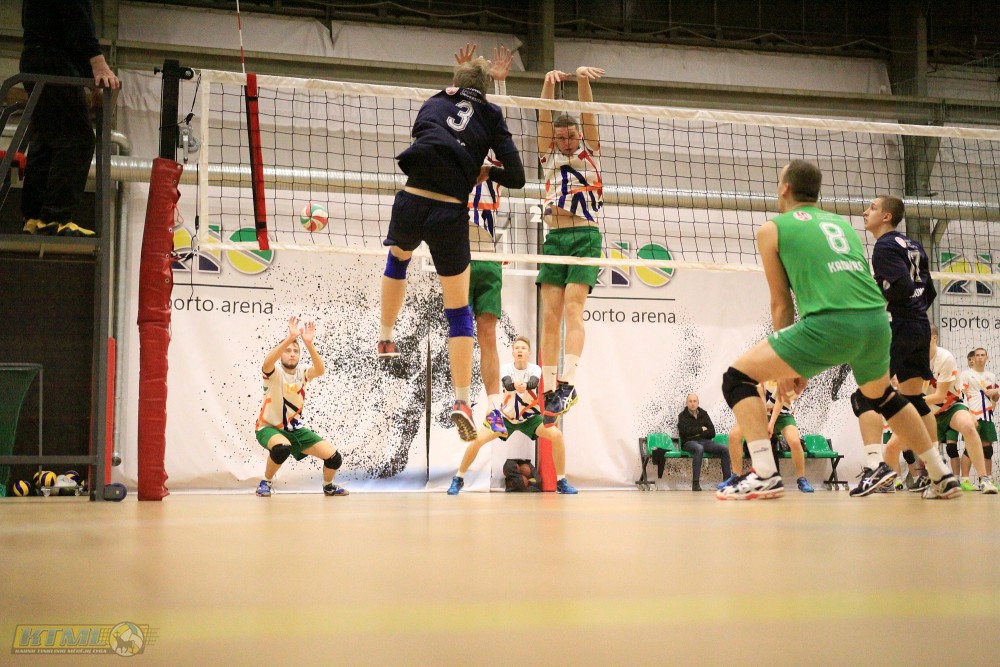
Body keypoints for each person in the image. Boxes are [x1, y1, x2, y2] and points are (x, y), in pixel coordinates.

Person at [716, 160, 960, 500]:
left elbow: (781, 304)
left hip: (831, 322)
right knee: (884, 396)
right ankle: (940, 474)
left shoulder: (772, 229)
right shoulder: (842, 225)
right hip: (876, 321)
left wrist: (787, 369)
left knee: (737, 378)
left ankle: (765, 473)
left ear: (784, 188)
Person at [377, 54, 525, 443]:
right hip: (450, 214)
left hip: (412, 199)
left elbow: (428, 138)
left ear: (455, 82)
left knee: (398, 259)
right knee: (459, 312)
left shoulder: (433, 101)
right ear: (486, 91)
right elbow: (518, 176)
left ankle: (386, 336)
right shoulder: (491, 117)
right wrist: (485, 169)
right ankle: (462, 400)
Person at [848, 195, 942, 496]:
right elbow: (930, 291)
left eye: (872, 208)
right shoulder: (913, 244)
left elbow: (901, 286)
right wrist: (914, 311)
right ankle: (938, 473)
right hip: (920, 325)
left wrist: (872, 301)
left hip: (900, 326)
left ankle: (876, 467)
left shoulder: (885, 246)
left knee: (866, 396)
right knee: (914, 400)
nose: (866, 212)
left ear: (887, 216)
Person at [535, 64, 606, 422]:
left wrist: (580, 80)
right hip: (555, 238)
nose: (566, 141)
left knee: (573, 310)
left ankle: (569, 381)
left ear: (578, 135)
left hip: (584, 236)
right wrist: (547, 85)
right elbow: (542, 117)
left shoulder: (589, 151)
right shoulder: (548, 155)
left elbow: (588, 114)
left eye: (571, 136)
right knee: (550, 316)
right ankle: (549, 388)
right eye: (560, 137)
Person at [19, 0, 120, 237]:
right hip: (53, 62)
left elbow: (63, 28)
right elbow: (74, 14)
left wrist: (91, 80)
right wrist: (98, 63)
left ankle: (34, 217)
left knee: (47, 140)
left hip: (37, 58)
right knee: (79, 140)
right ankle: (56, 218)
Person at [454, 43, 514, 437]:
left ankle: (494, 409)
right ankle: (462, 402)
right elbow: (449, 114)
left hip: (487, 252)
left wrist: (499, 84)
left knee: (488, 334)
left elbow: (501, 127)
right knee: (460, 333)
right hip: (456, 251)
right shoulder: (452, 148)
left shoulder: (494, 160)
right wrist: (459, 82)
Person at [447, 335, 578, 495]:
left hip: (530, 419)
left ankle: (561, 481)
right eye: (517, 348)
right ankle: (458, 478)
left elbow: (534, 382)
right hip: (505, 418)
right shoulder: (505, 369)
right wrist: (514, 385)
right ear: (513, 352)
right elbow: (507, 383)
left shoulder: (535, 369)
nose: (520, 351)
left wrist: (525, 385)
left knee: (556, 435)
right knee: (477, 441)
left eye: (523, 348)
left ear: (529, 353)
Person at [255, 317, 348, 497]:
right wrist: (290, 338)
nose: (292, 354)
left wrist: (308, 344)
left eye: (296, 351)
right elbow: (267, 363)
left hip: (295, 430)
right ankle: (265, 482)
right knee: (282, 448)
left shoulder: (303, 372)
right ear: (281, 354)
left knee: (334, 458)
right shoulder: (274, 372)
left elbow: (320, 370)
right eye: (287, 350)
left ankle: (328, 486)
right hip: (269, 428)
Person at [926, 328, 997, 494]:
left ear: (934, 338)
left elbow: (941, 395)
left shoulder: (944, 358)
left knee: (969, 427)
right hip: (927, 410)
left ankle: (984, 479)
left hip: (950, 407)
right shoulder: (910, 358)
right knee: (897, 446)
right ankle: (934, 481)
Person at [762, 381, 813, 492]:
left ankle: (801, 479)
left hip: (783, 415)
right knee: (757, 443)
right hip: (764, 415)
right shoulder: (762, 375)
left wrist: (772, 422)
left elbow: (783, 399)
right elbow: (761, 398)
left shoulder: (786, 376)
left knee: (795, 442)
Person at [676, 394, 731, 491]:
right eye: (690, 401)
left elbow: (712, 432)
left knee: (725, 449)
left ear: (698, 403)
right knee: (699, 448)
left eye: (694, 401)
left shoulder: (703, 414)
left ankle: (727, 482)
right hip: (688, 443)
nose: (692, 404)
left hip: (705, 442)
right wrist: (701, 429)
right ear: (686, 403)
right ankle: (695, 483)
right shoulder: (682, 416)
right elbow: (686, 433)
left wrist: (696, 433)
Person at [959, 347, 998, 482]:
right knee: (969, 448)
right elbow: (962, 395)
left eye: (982, 355)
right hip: (972, 415)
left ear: (987, 358)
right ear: (973, 358)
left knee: (988, 450)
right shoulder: (966, 374)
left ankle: (987, 480)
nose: (980, 357)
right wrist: (966, 413)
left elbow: (995, 398)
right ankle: (965, 480)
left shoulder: (991, 376)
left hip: (987, 416)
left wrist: (996, 393)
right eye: (977, 355)